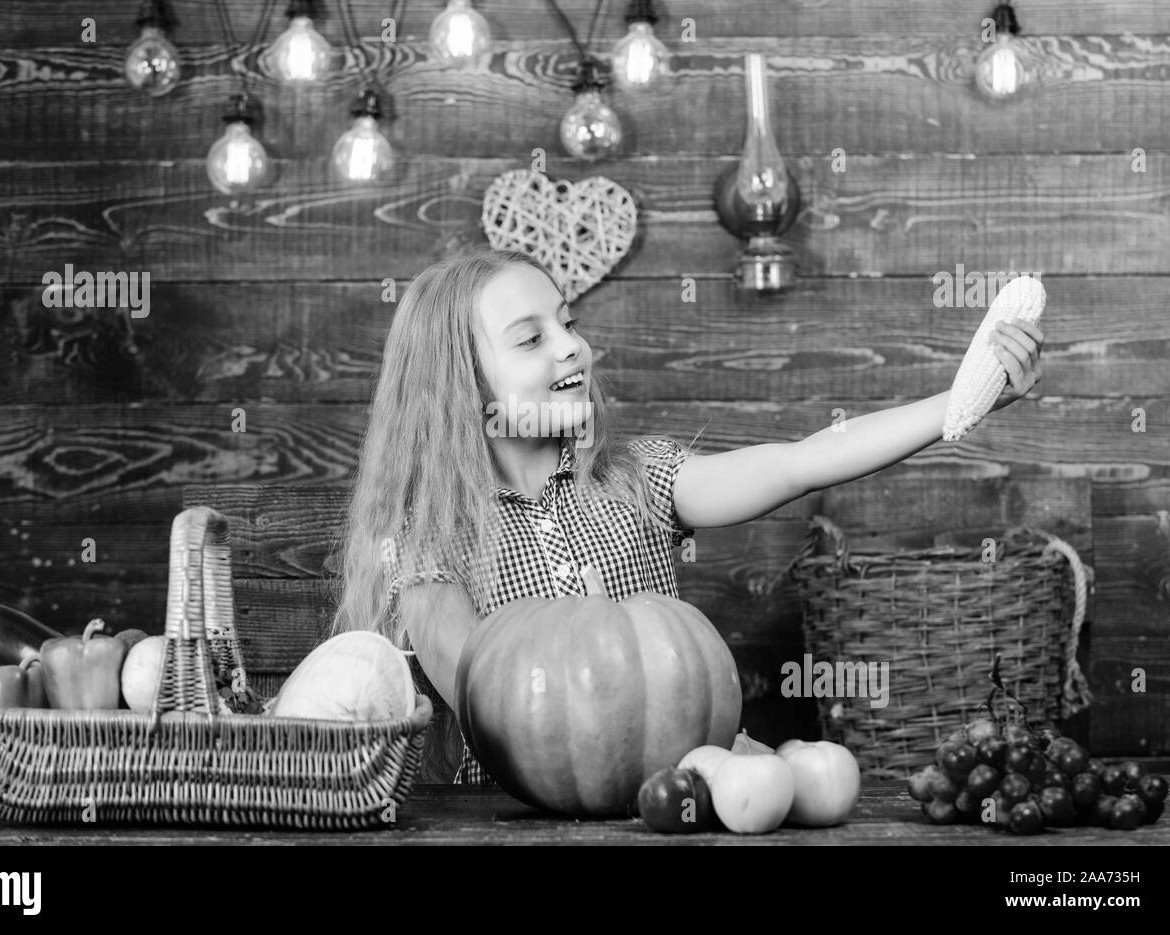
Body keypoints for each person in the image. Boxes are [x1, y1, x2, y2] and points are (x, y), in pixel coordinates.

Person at [328, 245, 1044, 784]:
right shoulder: (430, 540)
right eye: (530, 337)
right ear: (461, 382)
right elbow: (486, 699)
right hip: (528, 820)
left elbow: (798, 462)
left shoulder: (640, 479)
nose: (572, 343)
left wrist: (962, 401)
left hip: (685, 801)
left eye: (567, 322)